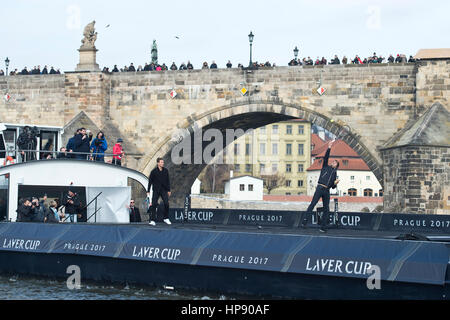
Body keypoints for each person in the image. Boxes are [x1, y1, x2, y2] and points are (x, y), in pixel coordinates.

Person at [301, 140, 340, 232]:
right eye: (333, 161)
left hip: (326, 190)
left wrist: (335, 184)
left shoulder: (335, 174)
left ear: (336, 166)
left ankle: (323, 226)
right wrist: (329, 147)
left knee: (326, 208)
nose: (333, 162)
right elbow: (326, 157)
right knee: (313, 204)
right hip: (320, 188)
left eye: (335, 162)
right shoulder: (325, 167)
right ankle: (305, 220)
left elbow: (333, 187)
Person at [147, 158, 171, 226]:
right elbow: (150, 182)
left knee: (166, 203)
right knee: (154, 204)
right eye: (161, 162)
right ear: (158, 163)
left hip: (163, 190)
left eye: (163, 162)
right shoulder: (153, 171)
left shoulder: (166, 171)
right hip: (156, 190)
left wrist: (169, 190)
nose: (162, 163)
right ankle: (152, 220)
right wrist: (148, 190)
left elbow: (168, 181)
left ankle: (166, 218)